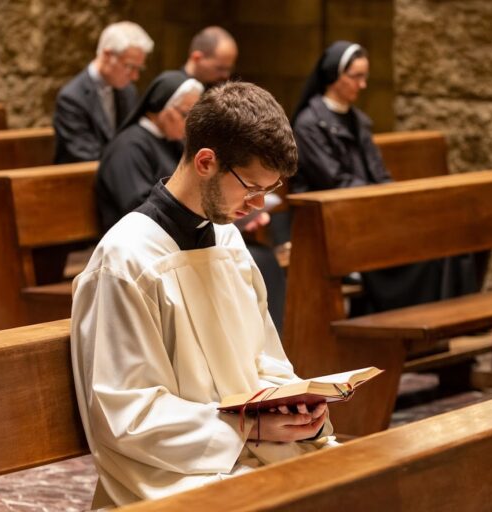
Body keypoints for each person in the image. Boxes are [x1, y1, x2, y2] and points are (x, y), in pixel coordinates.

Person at [71, 82, 334, 508]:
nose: (258, 204)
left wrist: (296, 409)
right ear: (206, 161)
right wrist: (248, 428)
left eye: (268, 190)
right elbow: (126, 417)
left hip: (251, 449)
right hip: (172, 473)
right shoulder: (126, 259)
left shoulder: (228, 242)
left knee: (364, 480)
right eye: (250, 187)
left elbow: (265, 360)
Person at [291, 41, 479, 312]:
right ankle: (412, 327)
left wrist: (399, 202)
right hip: (336, 220)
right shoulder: (309, 124)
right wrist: (381, 202)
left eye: (365, 76)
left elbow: (379, 173)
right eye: (356, 77)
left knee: (445, 235)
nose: (363, 84)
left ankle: (448, 325)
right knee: (423, 251)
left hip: (369, 209)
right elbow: (334, 181)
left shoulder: (359, 120)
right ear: (334, 76)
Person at [95, 70, 203, 232]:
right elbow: (139, 209)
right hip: (136, 241)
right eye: (185, 114)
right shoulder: (127, 147)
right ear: (162, 107)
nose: (190, 124)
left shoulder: (172, 142)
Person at [53, 21, 153, 163]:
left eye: (139, 69)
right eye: (130, 67)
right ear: (107, 55)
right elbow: (84, 154)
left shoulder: (128, 91)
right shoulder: (71, 98)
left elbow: (132, 138)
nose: (135, 76)